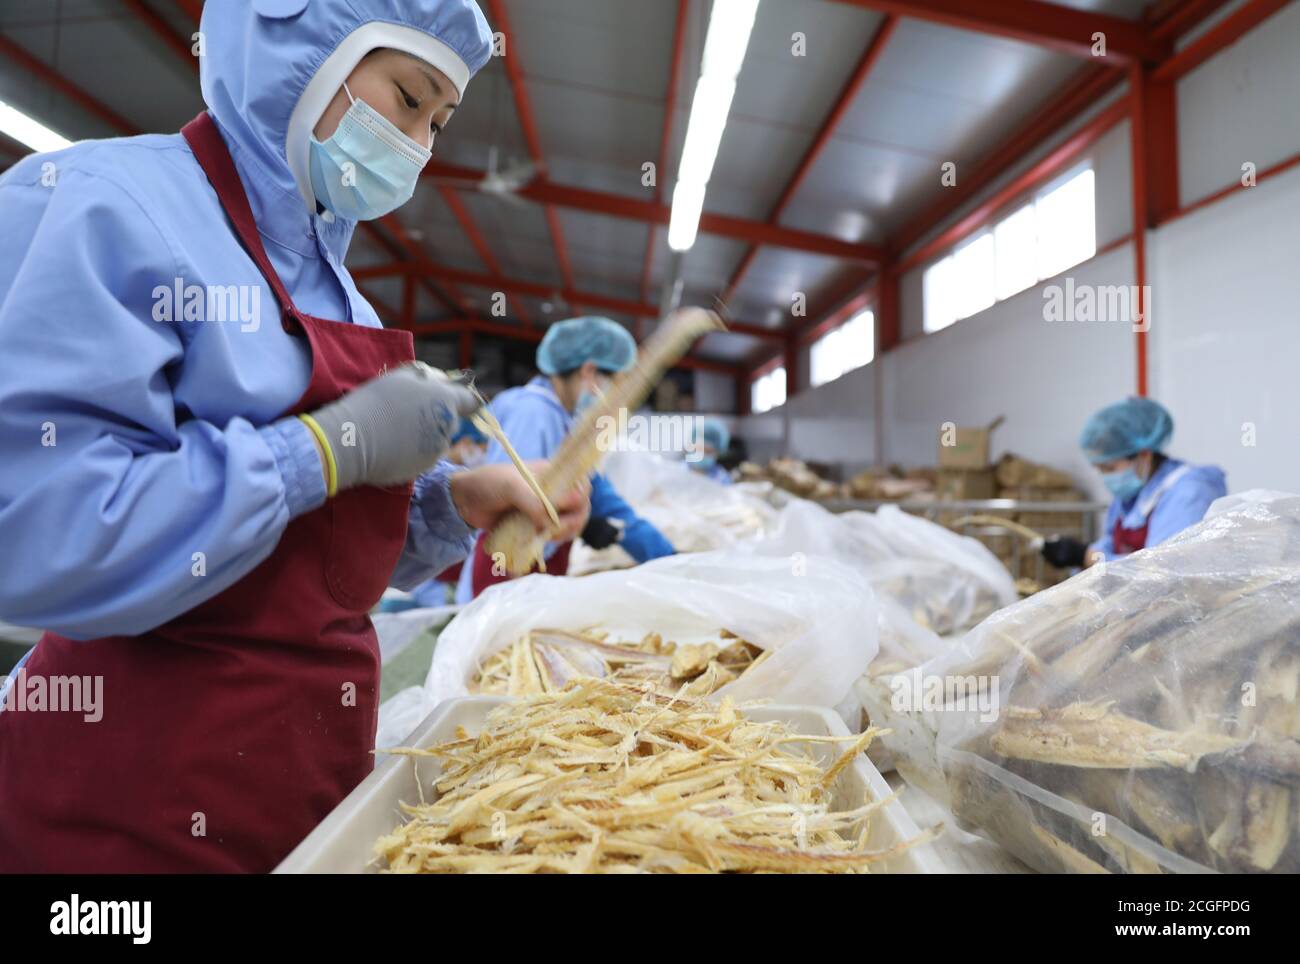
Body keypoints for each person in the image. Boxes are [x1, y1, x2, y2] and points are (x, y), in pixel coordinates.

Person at [0, 0, 589, 873]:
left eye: (439, 121)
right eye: (409, 96)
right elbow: (44, 532)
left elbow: (317, 565)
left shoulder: (340, 293)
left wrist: (453, 501)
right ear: (305, 48)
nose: (421, 144)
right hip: (125, 796)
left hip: (299, 781)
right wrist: (328, 448)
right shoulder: (109, 205)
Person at [457, 316, 676, 601]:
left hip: (535, 571)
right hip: (505, 574)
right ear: (589, 371)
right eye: (613, 382)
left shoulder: (565, 423)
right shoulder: (532, 412)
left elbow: (602, 496)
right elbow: (514, 507)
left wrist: (668, 557)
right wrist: (585, 526)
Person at [1041, 397, 1226, 569]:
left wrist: (1086, 557)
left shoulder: (1190, 492)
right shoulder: (1132, 495)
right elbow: (1110, 545)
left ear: (1144, 455)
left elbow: (1163, 569)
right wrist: (1082, 554)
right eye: (1100, 469)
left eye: (1110, 468)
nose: (1105, 477)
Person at [689, 418, 733, 485]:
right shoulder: (678, 471)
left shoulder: (722, 479)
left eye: (708, 452)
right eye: (699, 449)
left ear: (717, 453)